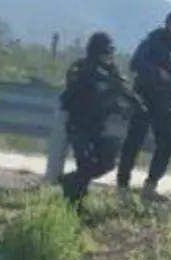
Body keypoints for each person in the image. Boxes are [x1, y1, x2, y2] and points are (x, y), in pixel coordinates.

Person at [115, 10, 171, 200]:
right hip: (144, 99)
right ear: (170, 25)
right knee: (134, 142)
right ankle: (122, 186)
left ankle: (150, 186)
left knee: (167, 143)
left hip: (165, 104)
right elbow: (135, 64)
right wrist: (157, 72)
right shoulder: (152, 43)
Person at [57, 32, 142, 205]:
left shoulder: (111, 71)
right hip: (79, 126)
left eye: (111, 51)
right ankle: (73, 204)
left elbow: (123, 91)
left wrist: (133, 106)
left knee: (106, 163)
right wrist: (95, 80)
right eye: (106, 51)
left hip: (98, 126)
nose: (109, 55)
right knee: (85, 165)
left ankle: (68, 182)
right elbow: (69, 96)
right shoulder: (80, 68)